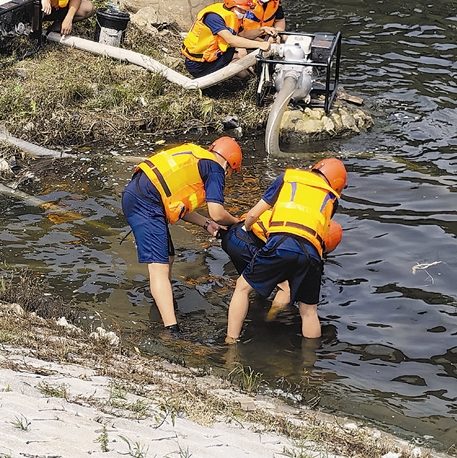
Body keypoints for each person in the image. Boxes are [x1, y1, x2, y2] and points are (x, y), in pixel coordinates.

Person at [121, 137, 243, 337]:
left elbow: (180, 205)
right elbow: (218, 212)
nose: (228, 176)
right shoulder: (215, 169)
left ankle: (162, 305)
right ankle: (172, 330)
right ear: (229, 164)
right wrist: (236, 221)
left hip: (141, 194)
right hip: (146, 202)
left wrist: (206, 224)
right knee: (159, 268)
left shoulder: (197, 157)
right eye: (231, 172)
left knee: (168, 257)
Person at [225, 158, 348, 343]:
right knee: (309, 312)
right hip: (312, 254)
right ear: (337, 185)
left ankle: (230, 342)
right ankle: (309, 365)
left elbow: (253, 214)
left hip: (281, 243)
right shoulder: (331, 198)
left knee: (242, 287)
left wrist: (248, 228)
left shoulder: (288, 178)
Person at [181, 0, 277, 79]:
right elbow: (231, 40)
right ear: (231, 4)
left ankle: (242, 72)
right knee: (245, 73)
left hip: (213, 57)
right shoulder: (213, 17)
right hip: (198, 64)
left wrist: (262, 30)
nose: (243, 13)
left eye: (245, 11)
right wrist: (259, 45)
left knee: (244, 69)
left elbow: (242, 34)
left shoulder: (232, 15)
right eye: (241, 10)